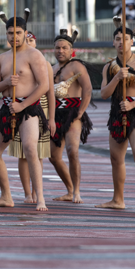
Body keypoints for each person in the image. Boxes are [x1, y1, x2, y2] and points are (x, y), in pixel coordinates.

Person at [0, 8, 49, 211]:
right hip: (7, 108)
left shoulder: (34, 55)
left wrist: (23, 104)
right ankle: (6, 195)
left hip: (28, 107)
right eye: (10, 33)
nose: (14, 37)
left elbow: (44, 85)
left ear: (25, 33)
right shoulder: (1, 58)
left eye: (18, 33)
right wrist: (6, 82)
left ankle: (40, 198)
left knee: (30, 148)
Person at [97, 17, 135, 213]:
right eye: (117, 38)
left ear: (132, 41)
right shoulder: (109, 67)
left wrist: (133, 105)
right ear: (113, 42)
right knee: (116, 158)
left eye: (125, 38)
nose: (120, 42)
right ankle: (118, 199)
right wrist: (117, 77)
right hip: (117, 112)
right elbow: (104, 94)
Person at [49, 29, 95, 204]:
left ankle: (77, 191)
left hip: (73, 113)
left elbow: (88, 90)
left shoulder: (77, 66)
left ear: (71, 50)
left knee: (72, 151)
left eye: (64, 48)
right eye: (58, 48)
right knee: (53, 157)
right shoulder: (51, 68)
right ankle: (69, 189)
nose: (61, 51)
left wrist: (81, 113)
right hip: (55, 114)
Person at [9, 30, 53, 204]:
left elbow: (49, 93)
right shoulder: (15, 60)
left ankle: (37, 192)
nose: (28, 42)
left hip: (39, 110)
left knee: (37, 153)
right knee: (22, 153)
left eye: (31, 40)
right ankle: (27, 193)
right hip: (18, 108)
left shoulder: (43, 62)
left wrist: (52, 119)